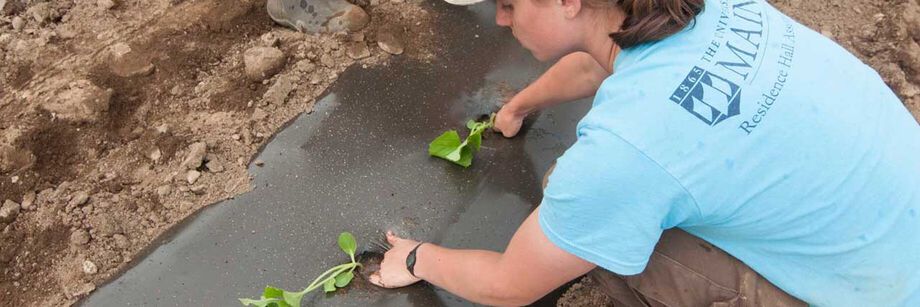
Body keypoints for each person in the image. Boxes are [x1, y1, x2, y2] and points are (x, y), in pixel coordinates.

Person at [368, 0, 920, 305]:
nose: (502, 19)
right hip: (896, 209)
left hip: (879, 293)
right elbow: (599, 57)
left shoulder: (625, 148)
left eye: (510, 3)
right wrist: (516, 107)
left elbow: (513, 284)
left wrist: (419, 259)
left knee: (590, 219)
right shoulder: (706, 7)